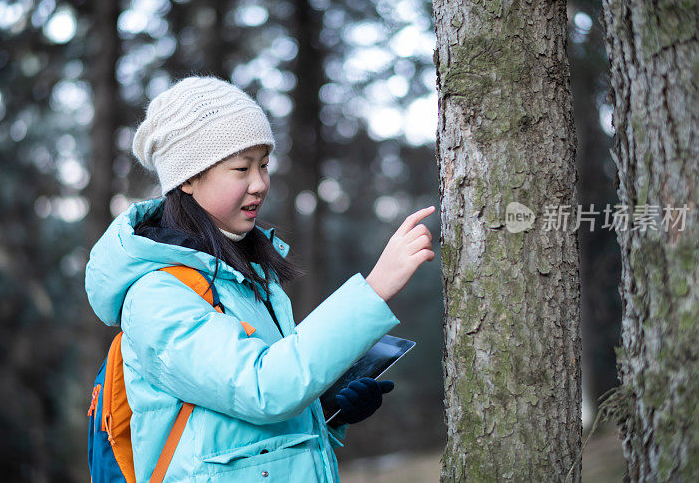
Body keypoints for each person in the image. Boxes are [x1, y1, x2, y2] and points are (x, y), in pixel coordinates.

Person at [84, 75, 435, 482]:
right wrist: (374, 288)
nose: (260, 184)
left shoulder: (243, 277)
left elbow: (233, 437)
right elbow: (263, 388)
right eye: (241, 168)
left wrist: (324, 413)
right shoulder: (157, 294)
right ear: (188, 178)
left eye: (264, 165)